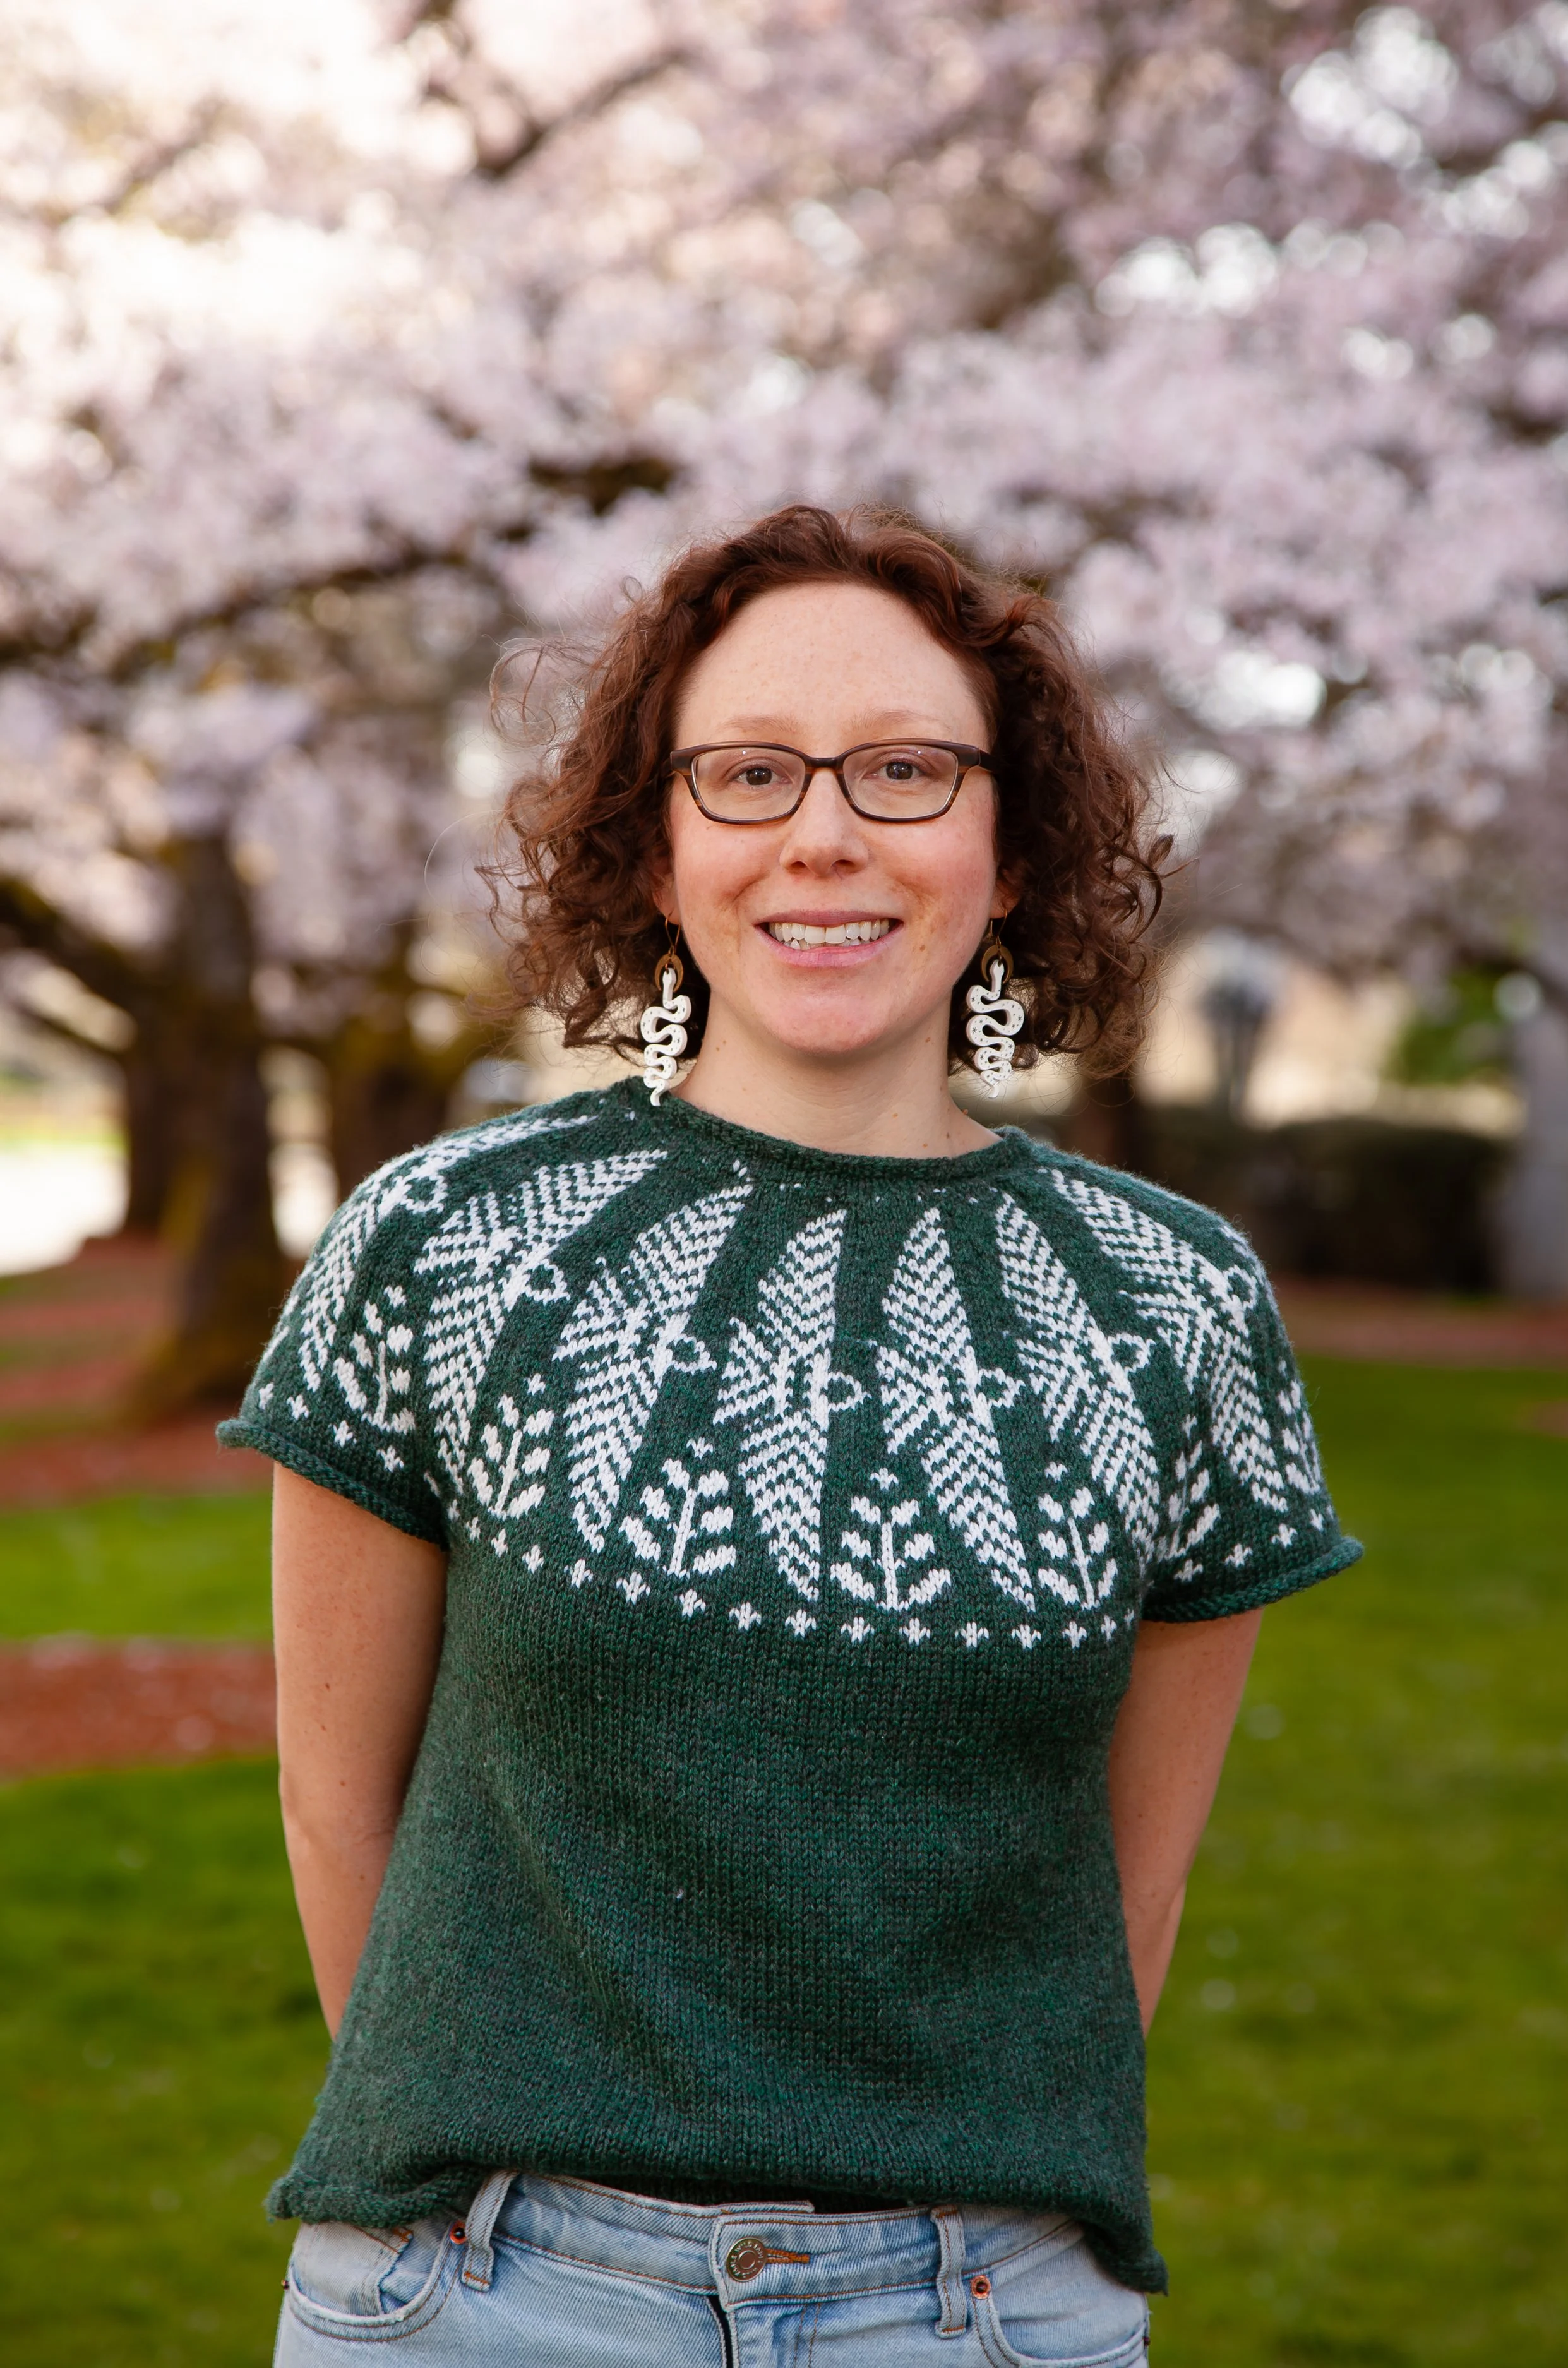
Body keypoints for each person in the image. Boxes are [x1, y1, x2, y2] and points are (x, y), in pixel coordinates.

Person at [222, 505, 1359, 2365]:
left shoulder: (1172, 1302)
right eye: (749, 773)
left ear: (1010, 847)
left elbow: (1129, 1890)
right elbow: (332, 1803)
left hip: (979, 2314)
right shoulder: (447, 1242)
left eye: (905, 769)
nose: (822, 833)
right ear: (658, 847)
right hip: (486, 2299)